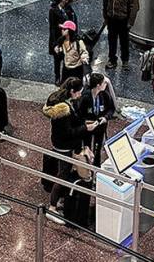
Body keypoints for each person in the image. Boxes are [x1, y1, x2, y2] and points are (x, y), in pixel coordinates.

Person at [42, 77, 97, 219]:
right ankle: (52, 207)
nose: (80, 95)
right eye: (78, 93)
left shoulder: (57, 99)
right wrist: (86, 127)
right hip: (64, 146)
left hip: (58, 142)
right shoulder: (63, 110)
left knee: (63, 173)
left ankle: (58, 200)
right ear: (72, 91)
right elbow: (68, 132)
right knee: (63, 176)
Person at [103, 0, 140, 70]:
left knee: (124, 41)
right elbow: (105, 3)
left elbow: (135, 6)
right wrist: (106, 17)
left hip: (123, 20)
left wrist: (130, 22)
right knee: (112, 41)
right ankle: (112, 59)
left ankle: (125, 61)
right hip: (111, 19)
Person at [77, 72, 115, 163]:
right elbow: (80, 113)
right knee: (87, 148)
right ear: (98, 85)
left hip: (100, 126)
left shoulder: (105, 95)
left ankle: (97, 167)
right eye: (103, 83)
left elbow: (111, 109)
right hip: (88, 127)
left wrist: (105, 118)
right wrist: (86, 121)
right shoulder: (85, 97)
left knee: (97, 149)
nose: (105, 84)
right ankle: (86, 169)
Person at [48, 0, 76, 83]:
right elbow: (52, 27)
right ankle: (57, 76)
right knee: (57, 59)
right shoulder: (53, 10)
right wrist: (54, 44)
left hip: (68, 38)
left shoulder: (69, 8)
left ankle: (65, 77)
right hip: (58, 37)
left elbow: (74, 22)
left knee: (66, 57)